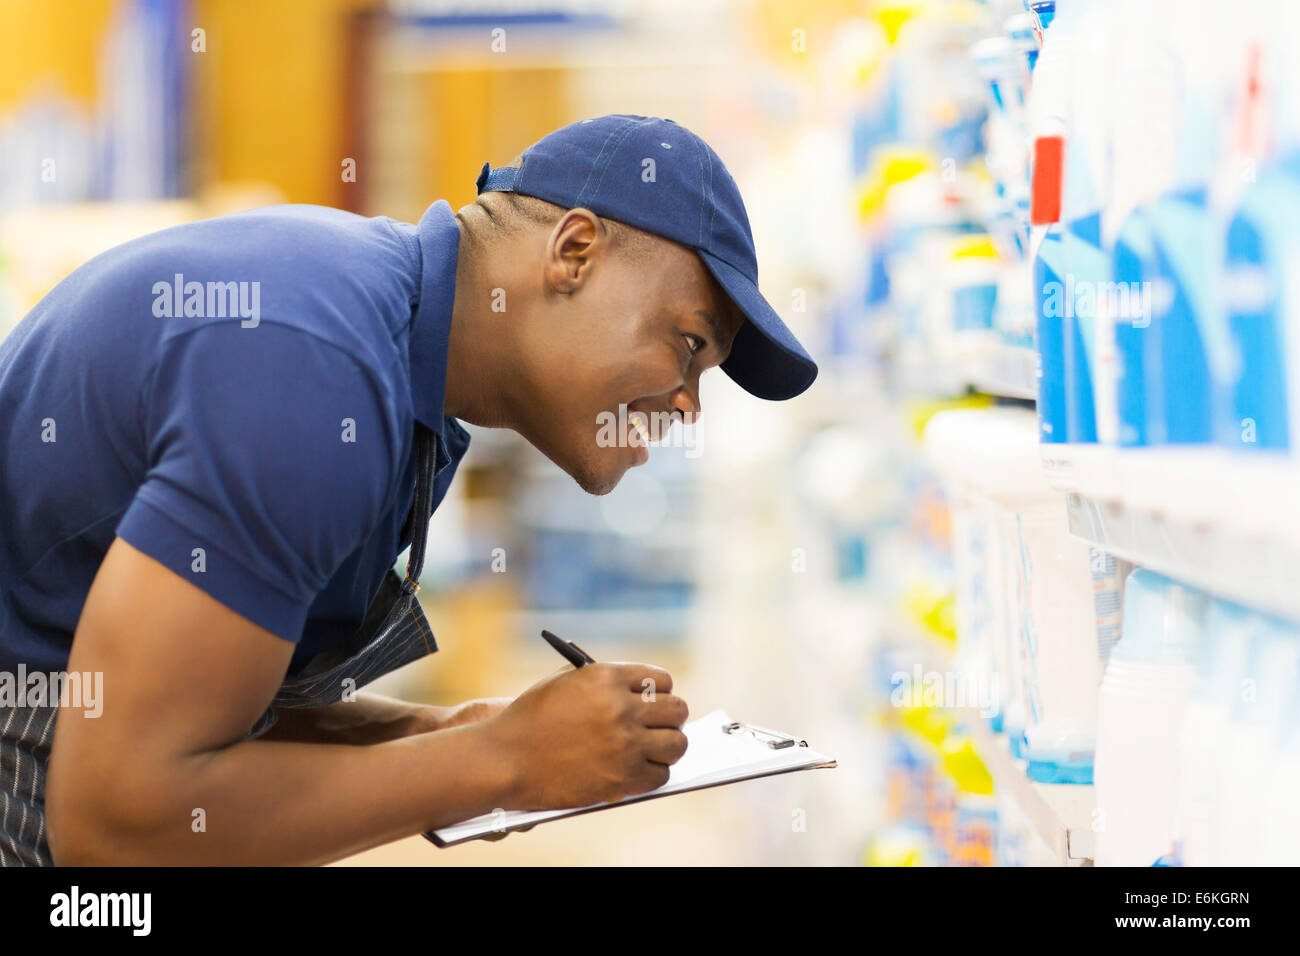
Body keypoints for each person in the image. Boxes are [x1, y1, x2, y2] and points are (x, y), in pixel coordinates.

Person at [0, 114, 817, 865]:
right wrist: (505, 760)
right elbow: (114, 826)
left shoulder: (391, 358)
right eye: (688, 343)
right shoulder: (315, 374)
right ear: (573, 252)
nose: (689, 403)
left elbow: (206, 698)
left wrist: (447, 731)